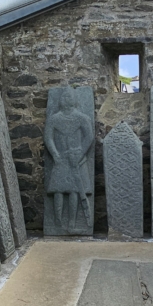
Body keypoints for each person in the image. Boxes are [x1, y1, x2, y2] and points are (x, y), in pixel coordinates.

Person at [44, 90, 93, 231]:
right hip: (60, 158)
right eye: (64, 96)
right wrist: (54, 154)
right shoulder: (54, 119)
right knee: (58, 190)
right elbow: (48, 138)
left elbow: (89, 137)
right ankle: (57, 221)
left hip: (76, 159)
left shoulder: (81, 118)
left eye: (69, 96)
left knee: (74, 191)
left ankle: (72, 221)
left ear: (74, 99)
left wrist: (80, 153)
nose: (66, 99)